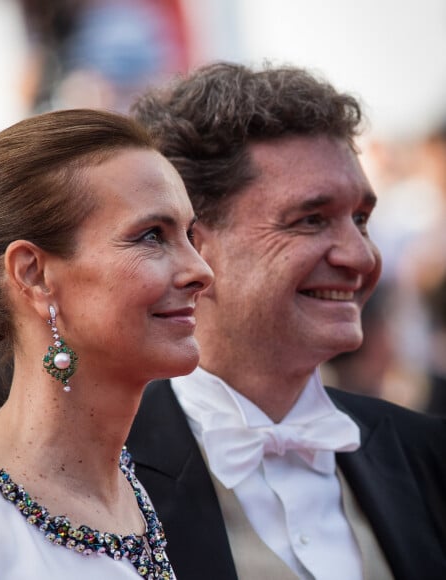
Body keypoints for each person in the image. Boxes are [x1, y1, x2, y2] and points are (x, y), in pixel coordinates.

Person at [126, 62, 446, 580]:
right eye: (311, 220)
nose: (360, 257)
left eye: (360, 219)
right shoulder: (102, 481)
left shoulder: (427, 454)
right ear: (195, 246)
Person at [0, 108, 213, 578]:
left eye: (189, 235)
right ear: (33, 273)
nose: (200, 271)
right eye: (152, 236)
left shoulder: (130, 487)